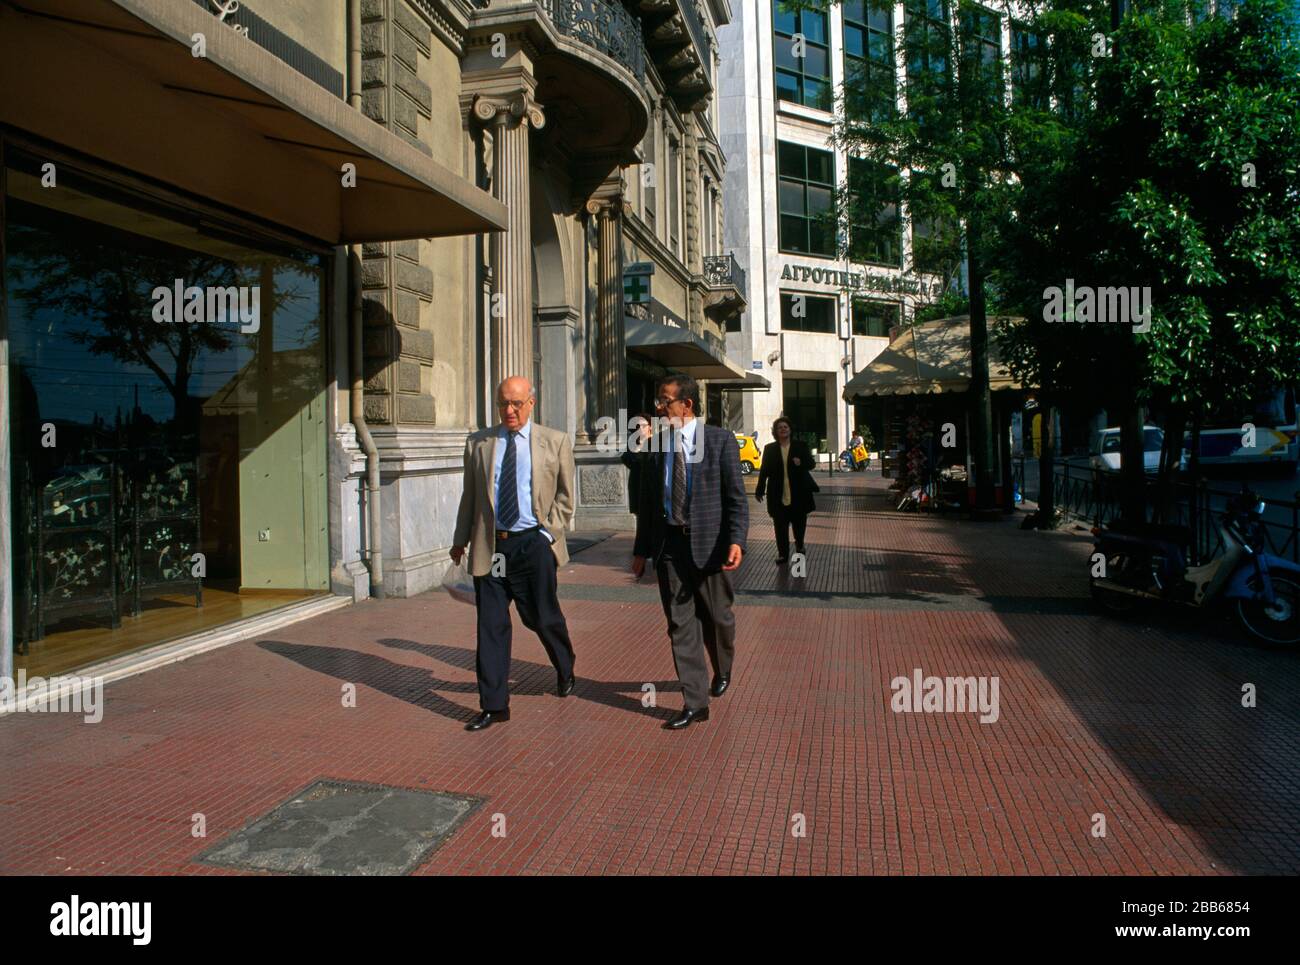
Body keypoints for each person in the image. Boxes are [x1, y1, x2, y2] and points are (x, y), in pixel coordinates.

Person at [450, 376, 577, 732]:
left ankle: (564, 663)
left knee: (541, 617)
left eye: (516, 404)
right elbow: (470, 498)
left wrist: (547, 534)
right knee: (490, 625)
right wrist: (461, 540)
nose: (509, 410)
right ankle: (494, 705)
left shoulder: (555, 442)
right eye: (503, 403)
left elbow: (566, 497)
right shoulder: (479, 444)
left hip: (532, 545)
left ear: (531, 403)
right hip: (492, 546)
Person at [631, 374, 747, 730]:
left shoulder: (719, 441)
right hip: (670, 546)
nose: (660, 408)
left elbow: (735, 500)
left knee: (717, 618)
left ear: (687, 404)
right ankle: (696, 702)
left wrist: (736, 540)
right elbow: (648, 507)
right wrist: (641, 551)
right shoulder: (657, 447)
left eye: (665, 401)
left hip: (711, 546)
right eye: (659, 402)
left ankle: (723, 665)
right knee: (680, 624)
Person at [755, 416, 819, 565]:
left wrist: (801, 462)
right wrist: (760, 489)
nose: (783, 429)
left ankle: (799, 545)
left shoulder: (800, 446)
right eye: (779, 427)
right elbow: (764, 470)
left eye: (785, 427)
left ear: (790, 430)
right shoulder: (770, 449)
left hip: (798, 494)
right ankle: (782, 554)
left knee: (799, 524)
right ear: (775, 432)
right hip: (777, 494)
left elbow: (811, 464)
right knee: (780, 526)